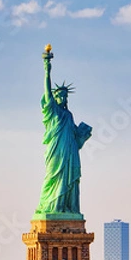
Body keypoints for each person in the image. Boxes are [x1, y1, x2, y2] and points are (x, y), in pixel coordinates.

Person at [35, 45, 92, 216]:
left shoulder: (69, 115)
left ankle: (68, 208)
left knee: (71, 180)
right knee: (52, 177)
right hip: (56, 152)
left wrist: (83, 135)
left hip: (70, 153)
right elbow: (47, 93)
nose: (63, 98)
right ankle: (51, 206)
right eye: (60, 95)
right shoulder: (53, 111)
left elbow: (76, 138)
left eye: (65, 96)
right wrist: (47, 70)